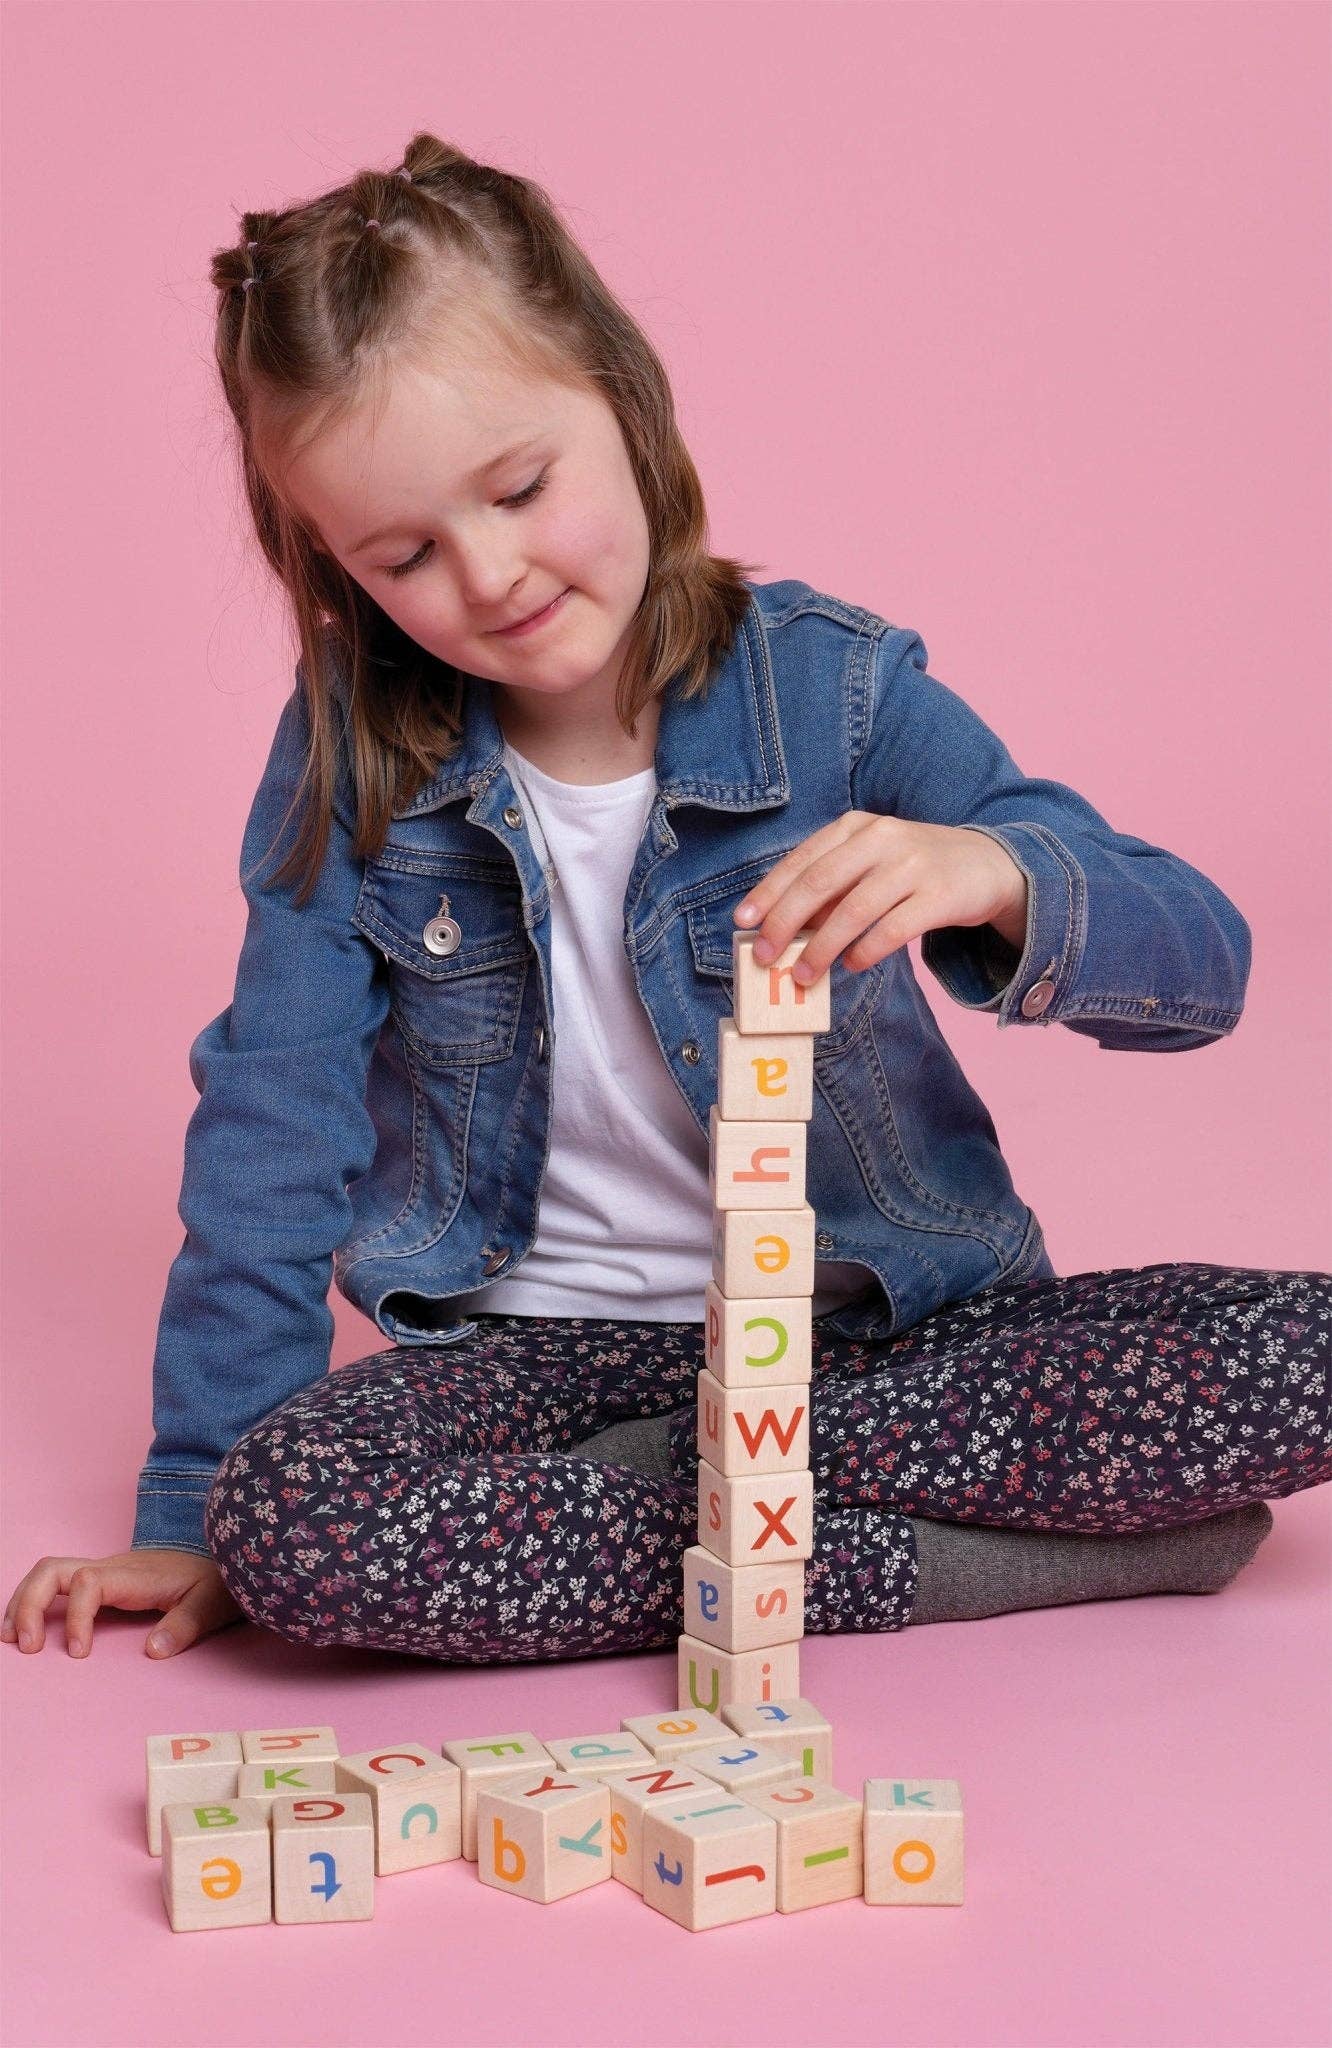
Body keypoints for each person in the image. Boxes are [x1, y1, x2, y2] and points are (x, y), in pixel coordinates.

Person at [5, 132, 1327, 1666]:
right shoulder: (348, 768)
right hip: (541, 1366)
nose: (488, 573)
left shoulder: (836, 693)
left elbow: (1205, 958)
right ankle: (979, 1557)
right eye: (405, 555)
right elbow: (272, 1125)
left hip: (881, 1338)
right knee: (291, 1517)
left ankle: (662, 1506)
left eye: (518, 487)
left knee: (1301, 1351)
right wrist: (188, 1513)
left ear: (620, 403)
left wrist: (995, 873)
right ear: (332, 570)